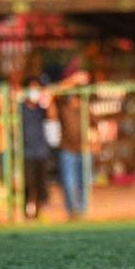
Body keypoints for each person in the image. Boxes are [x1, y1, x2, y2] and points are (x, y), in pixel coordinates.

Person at [55, 68, 90, 219]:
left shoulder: (84, 103)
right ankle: (72, 211)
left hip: (84, 147)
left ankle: (82, 211)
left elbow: (94, 124)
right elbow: (55, 91)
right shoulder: (64, 101)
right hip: (67, 148)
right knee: (69, 182)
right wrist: (74, 80)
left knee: (84, 182)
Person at [20, 76, 53, 219]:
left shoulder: (41, 108)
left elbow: (52, 116)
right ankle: (27, 210)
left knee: (40, 184)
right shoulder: (20, 108)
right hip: (26, 152)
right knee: (28, 183)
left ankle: (38, 211)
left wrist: (48, 100)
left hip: (41, 151)